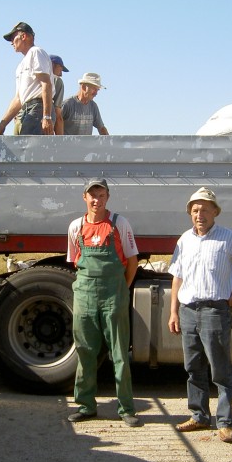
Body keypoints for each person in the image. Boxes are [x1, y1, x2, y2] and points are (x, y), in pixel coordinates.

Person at [168, 187, 232, 444]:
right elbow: (177, 277)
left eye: (205, 209)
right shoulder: (184, 240)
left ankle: (225, 422)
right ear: (190, 213)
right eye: (195, 210)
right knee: (193, 368)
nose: (200, 214)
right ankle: (199, 416)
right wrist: (173, 312)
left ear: (215, 212)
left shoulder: (228, 238)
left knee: (220, 370)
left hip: (215, 311)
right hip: (188, 311)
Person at [66, 178, 142, 427]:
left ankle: (126, 409)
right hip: (85, 294)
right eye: (92, 195)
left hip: (114, 294)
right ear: (84, 198)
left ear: (107, 197)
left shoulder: (120, 223)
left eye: (101, 194)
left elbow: (132, 261)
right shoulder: (76, 227)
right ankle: (86, 405)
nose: (96, 199)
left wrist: (122, 289)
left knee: (119, 352)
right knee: (85, 350)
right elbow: (75, 261)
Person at [0, 22, 54, 136]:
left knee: (30, 151)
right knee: (26, 149)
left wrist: (46, 116)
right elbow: (18, 99)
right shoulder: (21, 65)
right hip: (28, 110)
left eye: (13, 37)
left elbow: (46, 83)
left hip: (38, 107)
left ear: (23, 36)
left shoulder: (36, 52)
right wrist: (3, 124)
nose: (11, 42)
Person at [50, 55, 68, 135]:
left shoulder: (31, 76)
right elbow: (58, 115)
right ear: (52, 65)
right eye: (60, 70)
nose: (61, 74)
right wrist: (60, 143)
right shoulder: (57, 80)